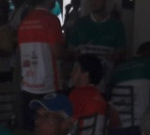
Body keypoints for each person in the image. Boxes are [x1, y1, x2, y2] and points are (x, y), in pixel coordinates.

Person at [16, 0, 64, 128]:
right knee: (51, 130)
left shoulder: (24, 23)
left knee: (31, 129)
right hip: (48, 86)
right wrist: (72, 53)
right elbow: (57, 52)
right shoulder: (51, 20)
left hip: (27, 85)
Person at [65, 0, 125, 66]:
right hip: (84, 70)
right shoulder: (79, 24)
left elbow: (121, 54)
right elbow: (70, 51)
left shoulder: (117, 26)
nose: (93, 1)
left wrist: (114, 57)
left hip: (107, 70)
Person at [68, 54, 117, 125]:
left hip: (80, 131)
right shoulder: (103, 99)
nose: (71, 74)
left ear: (86, 74)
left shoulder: (76, 94)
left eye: (75, 70)